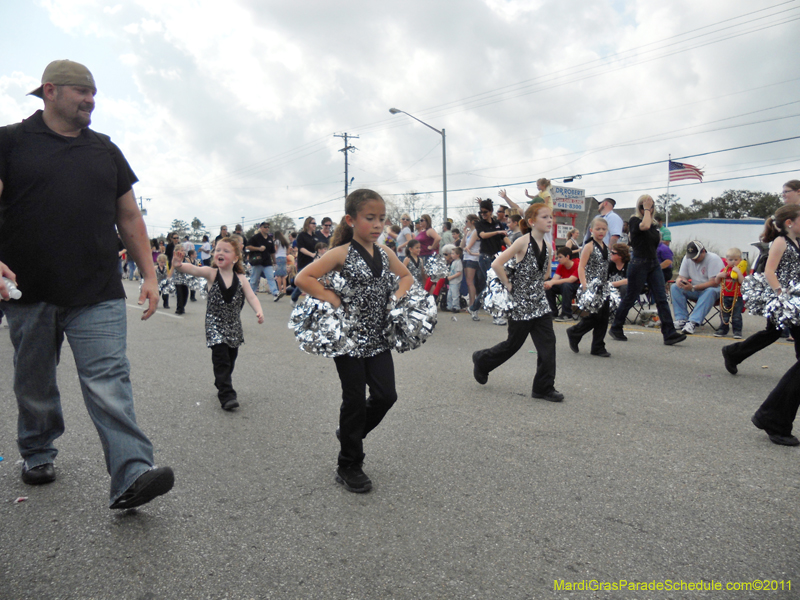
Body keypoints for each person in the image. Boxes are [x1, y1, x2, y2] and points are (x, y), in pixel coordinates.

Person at [0, 59, 173, 509]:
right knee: (34, 381)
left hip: (97, 290)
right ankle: (38, 450)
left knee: (109, 381)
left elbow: (130, 216)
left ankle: (131, 473)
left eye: (94, 93)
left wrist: (151, 273)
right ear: (50, 91)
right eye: (82, 92)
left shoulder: (105, 150)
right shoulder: (10, 142)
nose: (90, 100)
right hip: (28, 291)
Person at [295, 189, 413, 494]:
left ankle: (349, 432)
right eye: (369, 218)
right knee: (354, 399)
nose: (377, 224)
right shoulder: (341, 253)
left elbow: (406, 278)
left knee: (387, 396)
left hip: (378, 337)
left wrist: (396, 298)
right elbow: (303, 278)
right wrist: (330, 296)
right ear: (351, 219)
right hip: (347, 338)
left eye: (382, 219)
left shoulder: (386, 253)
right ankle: (349, 463)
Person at [472, 203, 562, 401]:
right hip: (521, 306)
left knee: (548, 346)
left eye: (550, 217)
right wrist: (507, 283)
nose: (550, 220)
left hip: (540, 304)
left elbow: (546, 274)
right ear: (531, 222)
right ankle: (482, 360)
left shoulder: (547, 246)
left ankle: (543, 388)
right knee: (512, 345)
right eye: (545, 217)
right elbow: (496, 263)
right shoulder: (522, 242)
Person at [173, 238, 263, 411]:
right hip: (215, 324)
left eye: (226, 251)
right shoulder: (211, 273)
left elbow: (252, 297)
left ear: (236, 258)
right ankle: (227, 395)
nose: (220, 253)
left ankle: (222, 381)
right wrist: (178, 264)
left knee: (230, 359)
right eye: (218, 250)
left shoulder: (241, 278)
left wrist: (259, 311)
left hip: (234, 325)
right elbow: (194, 269)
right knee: (221, 359)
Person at [722, 181, 800, 374]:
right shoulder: (780, 242)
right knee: (778, 332)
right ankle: (733, 353)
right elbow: (769, 271)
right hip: (782, 297)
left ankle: (734, 353)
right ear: (790, 222)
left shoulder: (795, 241)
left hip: (793, 295)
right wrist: (781, 294)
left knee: (771, 333)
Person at [609, 194, 686, 346]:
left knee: (661, 298)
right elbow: (644, 226)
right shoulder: (634, 220)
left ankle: (669, 333)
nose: (648, 210)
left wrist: (650, 214)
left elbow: (654, 236)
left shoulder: (654, 224)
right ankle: (616, 326)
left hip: (653, 263)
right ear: (640, 207)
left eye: (651, 207)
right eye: (644, 207)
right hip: (639, 262)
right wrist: (645, 210)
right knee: (631, 296)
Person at [566, 217, 612, 357]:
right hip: (592, 286)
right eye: (598, 229)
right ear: (591, 230)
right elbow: (581, 266)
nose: (601, 231)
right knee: (596, 316)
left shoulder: (606, 246)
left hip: (604, 286)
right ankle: (575, 332)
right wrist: (584, 285)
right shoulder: (589, 246)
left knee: (603, 317)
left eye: (603, 229)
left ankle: (597, 346)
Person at [468, 199, 511, 326]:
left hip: (498, 258)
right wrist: (497, 232)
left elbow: (505, 237)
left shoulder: (498, 223)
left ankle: (474, 307)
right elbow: (482, 235)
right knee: (494, 285)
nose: (483, 214)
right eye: (481, 212)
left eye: (485, 212)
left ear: (491, 211)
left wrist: (513, 247)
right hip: (485, 257)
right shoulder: (480, 224)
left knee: (491, 286)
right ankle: (496, 316)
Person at [670, 241, 724, 335]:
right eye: (691, 257)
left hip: (715, 290)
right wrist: (680, 281)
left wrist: (693, 287)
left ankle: (693, 322)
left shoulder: (713, 259)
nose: (693, 259)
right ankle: (681, 319)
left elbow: (714, 282)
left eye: (696, 257)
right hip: (694, 289)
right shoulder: (688, 259)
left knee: (710, 291)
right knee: (675, 287)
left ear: (703, 251)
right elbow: (682, 276)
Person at [713, 247, 747, 339]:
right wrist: (719, 276)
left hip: (737, 296)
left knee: (736, 315)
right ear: (726, 260)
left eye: (736, 260)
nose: (733, 262)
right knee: (724, 314)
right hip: (725, 296)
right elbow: (716, 282)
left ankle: (737, 331)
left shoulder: (741, 271)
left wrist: (739, 273)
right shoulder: (723, 270)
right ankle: (723, 329)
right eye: (730, 259)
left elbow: (743, 282)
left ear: (740, 260)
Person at [544, 246, 580, 321]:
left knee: (566, 285)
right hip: (565, 286)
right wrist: (550, 283)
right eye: (558, 257)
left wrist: (552, 282)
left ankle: (567, 314)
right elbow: (555, 278)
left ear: (567, 257)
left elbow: (571, 280)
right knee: (550, 286)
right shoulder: (561, 265)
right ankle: (553, 312)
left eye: (560, 257)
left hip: (577, 286)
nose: (558, 259)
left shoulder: (577, 264)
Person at [290, 217, 318, 307]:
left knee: (314, 281)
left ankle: (312, 301)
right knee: (302, 282)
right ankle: (294, 297)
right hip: (304, 262)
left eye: (315, 223)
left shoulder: (315, 236)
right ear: (308, 224)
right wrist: (311, 254)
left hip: (314, 263)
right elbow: (301, 248)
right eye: (313, 223)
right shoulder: (302, 235)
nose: (315, 225)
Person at [246, 222, 279, 299]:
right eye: (265, 227)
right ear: (261, 228)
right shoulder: (255, 238)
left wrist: (274, 262)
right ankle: (251, 294)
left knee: (271, 278)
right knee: (254, 279)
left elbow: (272, 252)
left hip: (267, 262)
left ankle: (275, 293)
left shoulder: (270, 239)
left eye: (268, 227)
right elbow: (248, 246)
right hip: (257, 262)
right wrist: (258, 248)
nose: (267, 228)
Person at [462, 214, 481, 320]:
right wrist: (465, 235)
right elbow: (462, 246)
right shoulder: (469, 232)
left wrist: (466, 248)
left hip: (473, 258)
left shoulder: (476, 231)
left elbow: (467, 247)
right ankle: (472, 304)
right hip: (467, 257)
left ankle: (473, 305)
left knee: (471, 282)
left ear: (472, 222)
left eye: (466, 221)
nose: (465, 223)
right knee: (470, 282)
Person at [273, 229, 290, 300]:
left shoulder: (277, 241)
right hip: (284, 257)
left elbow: (275, 250)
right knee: (283, 275)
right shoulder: (284, 242)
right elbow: (288, 249)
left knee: (278, 275)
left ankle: (280, 290)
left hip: (278, 257)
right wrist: (286, 253)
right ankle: (285, 290)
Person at [447, 247, 464, 313]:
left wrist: (451, 277)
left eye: (453, 253)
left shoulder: (458, 263)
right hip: (451, 282)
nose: (451, 255)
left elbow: (459, 273)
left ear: (458, 254)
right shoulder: (454, 262)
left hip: (456, 281)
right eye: (451, 253)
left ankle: (456, 307)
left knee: (455, 294)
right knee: (449, 294)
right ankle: (449, 306)